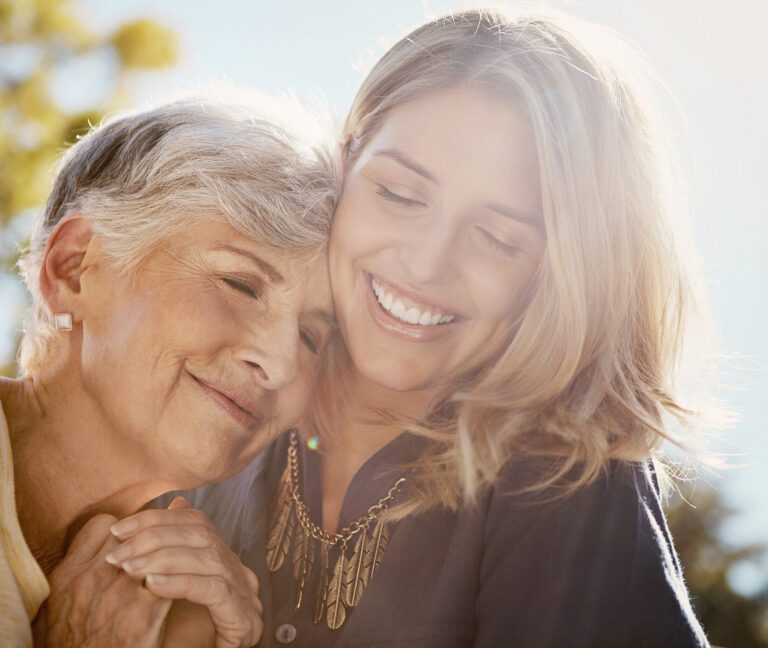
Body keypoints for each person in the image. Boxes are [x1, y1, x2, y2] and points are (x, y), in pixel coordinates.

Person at [93, 7, 712, 647]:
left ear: (560, 277)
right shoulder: (213, 414)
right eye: (400, 194)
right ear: (346, 162)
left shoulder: (568, 482)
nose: (427, 263)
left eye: (498, 238)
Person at [0, 91, 339, 647]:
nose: (278, 364)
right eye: (238, 283)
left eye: (310, 337)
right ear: (75, 267)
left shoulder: (183, 609)